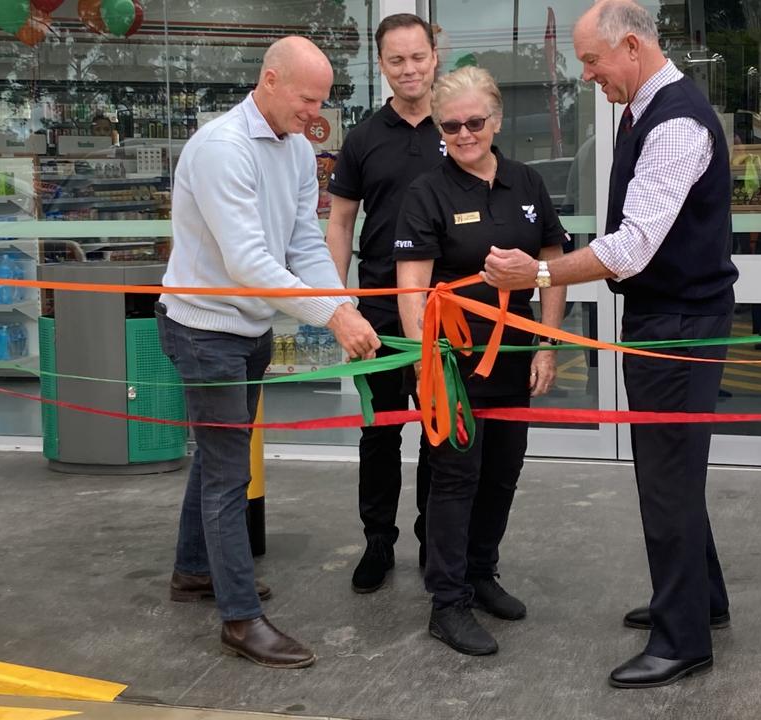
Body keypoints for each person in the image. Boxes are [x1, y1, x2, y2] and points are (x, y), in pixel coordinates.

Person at [482, 0, 738, 688]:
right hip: (669, 319)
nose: (586, 73)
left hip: (679, 326)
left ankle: (681, 639)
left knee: (666, 480)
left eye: (592, 60)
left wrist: (535, 272)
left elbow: (630, 247)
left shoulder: (676, 123)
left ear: (630, 47)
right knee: (675, 471)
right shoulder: (645, 110)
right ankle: (699, 601)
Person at [155, 36, 380, 670]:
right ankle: (239, 620)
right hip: (204, 330)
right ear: (271, 80)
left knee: (218, 457)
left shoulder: (296, 151)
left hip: (246, 330)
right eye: (307, 99)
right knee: (229, 472)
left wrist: (344, 305)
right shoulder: (223, 149)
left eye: (322, 101)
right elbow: (248, 262)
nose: (316, 113)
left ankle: (195, 571)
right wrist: (333, 316)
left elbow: (303, 243)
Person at [395, 65, 568, 656]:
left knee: (502, 470)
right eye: (451, 126)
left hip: (516, 355)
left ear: (496, 119)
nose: (463, 134)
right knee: (454, 478)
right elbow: (411, 286)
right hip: (454, 361)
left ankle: (480, 572)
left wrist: (548, 341)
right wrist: (426, 365)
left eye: (474, 122)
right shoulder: (427, 193)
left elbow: (551, 260)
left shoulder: (526, 183)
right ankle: (447, 602)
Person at [325, 13, 443, 593]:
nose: (409, 69)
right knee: (381, 430)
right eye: (396, 60)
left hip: (447, 310)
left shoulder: (460, 128)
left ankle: (433, 539)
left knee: (440, 428)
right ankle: (378, 542)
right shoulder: (364, 139)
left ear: (434, 55)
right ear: (382, 66)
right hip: (379, 308)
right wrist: (338, 300)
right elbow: (341, 221)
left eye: (417, 57)